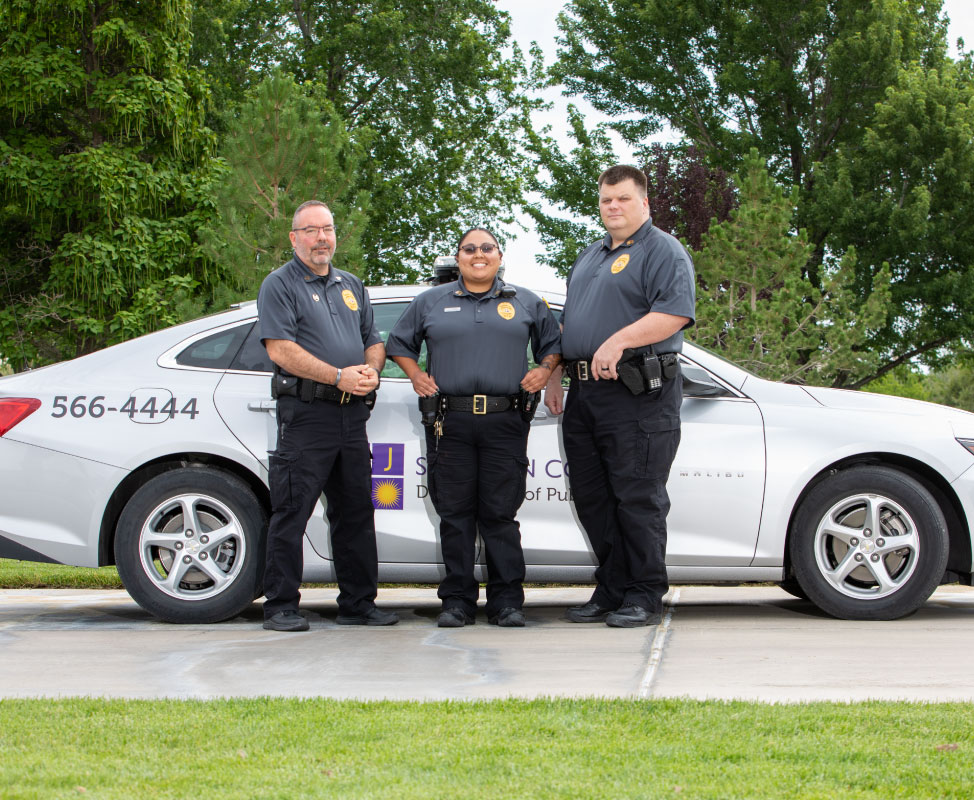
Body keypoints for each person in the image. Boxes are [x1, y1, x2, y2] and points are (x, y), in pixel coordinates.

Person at [544, 165, 696, 628]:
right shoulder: (589, 255)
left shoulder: (663, 251)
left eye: (623, 199)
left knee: (638, 498)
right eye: (607, 199)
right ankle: (610, 589)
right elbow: (572, 322)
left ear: (644, 203)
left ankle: (644, 593)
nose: (614, 206)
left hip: (637, 394)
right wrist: (555, 371)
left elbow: (673, 314)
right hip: (586, 395)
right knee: (594, 499)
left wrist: (619, 340)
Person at [387, 227, 562, 627]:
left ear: (500, 256)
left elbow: (553, 345)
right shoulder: (431, 301)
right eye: (469, 249)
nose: (478, 255)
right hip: (450, 421)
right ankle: (457, 602)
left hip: (506, 419)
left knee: (501, 515)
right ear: (458, 257)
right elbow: (399, 344)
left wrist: (545, 370)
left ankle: (506, 603)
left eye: (487, 248)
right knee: (455, 514)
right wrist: (415, 375)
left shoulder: (526, 301)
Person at [255, 200, 399, 631]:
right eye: (312, 230)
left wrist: (370, 371)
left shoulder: (350, 284)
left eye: (328, 229)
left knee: (356, 512)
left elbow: (372, 340)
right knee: (291, 512)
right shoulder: (279, 284)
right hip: (306, 414)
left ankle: (358, 604)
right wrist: (338, 375)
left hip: (350, 417)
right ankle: (280, 605)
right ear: (294, 237)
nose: (322, 238)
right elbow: (280, 349)